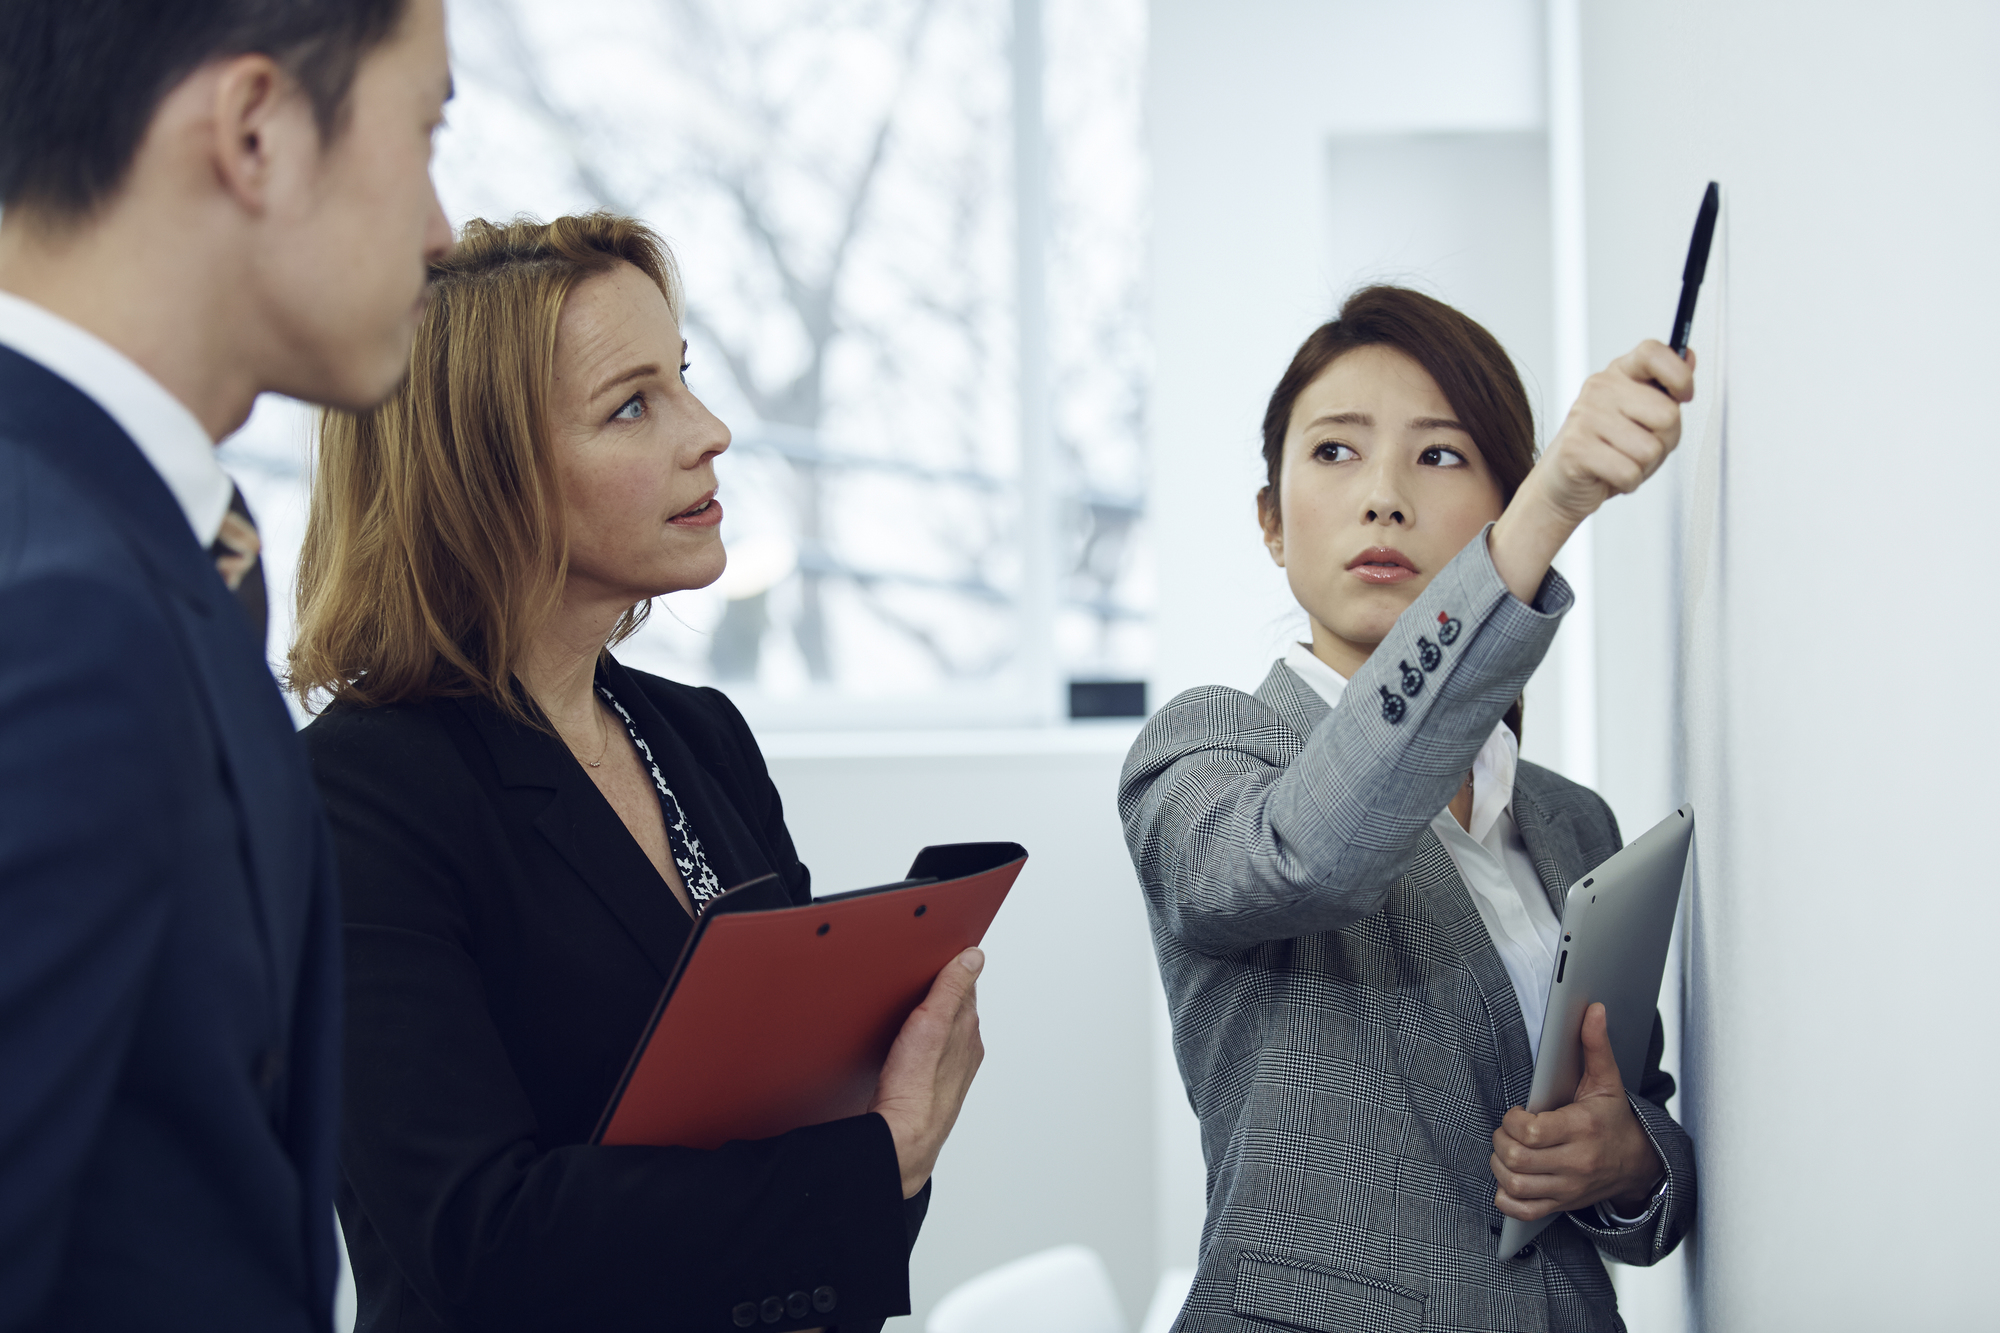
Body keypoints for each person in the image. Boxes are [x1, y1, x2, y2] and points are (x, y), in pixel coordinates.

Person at [289, 213, 984, 1333]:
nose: (708, 433)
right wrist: (873, 1159)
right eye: (631, 404)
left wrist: (882, 1137)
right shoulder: (359, 796)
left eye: (684, 382)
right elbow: (479, 1235)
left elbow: (814, 1170)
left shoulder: (699, 735)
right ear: (484, 477)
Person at [1120, 286, 1698, 1332]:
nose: (1382, 497)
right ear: (1270, 521)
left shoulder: (1573, 826)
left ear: (1495, 501)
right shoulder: (1203, 752)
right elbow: (1309, 856)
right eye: (1334, 452)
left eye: (1438, 457)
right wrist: (1551, 507)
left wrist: (1626, 1162)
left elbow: (1635, 1122)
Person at [0, 0, 452, 1327]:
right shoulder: (66, 611)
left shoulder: (129, 545)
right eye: (423, 130)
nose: (438, 227)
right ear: (257, 131)